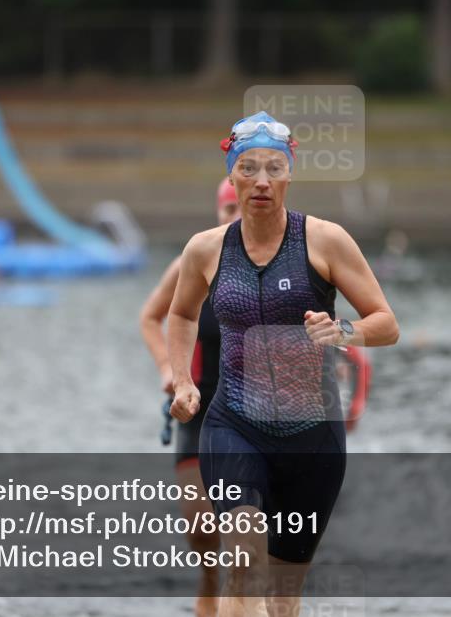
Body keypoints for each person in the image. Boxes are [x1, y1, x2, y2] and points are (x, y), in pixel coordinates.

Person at [167, 112, 399, 617]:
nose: (262, 182)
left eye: (274, 168)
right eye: (248, 169)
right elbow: (181, 314)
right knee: (242, 565)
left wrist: (341, 331)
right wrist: (183, 380)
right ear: (231, 177)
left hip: (312, 435)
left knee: (284, 596)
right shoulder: (205, 250)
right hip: (233, 425)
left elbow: (386, 323)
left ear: (290, 174)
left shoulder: (325, 240)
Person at [140, 178, 240, 617]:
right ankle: (208, 577)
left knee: (248, 523)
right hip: (198, 403)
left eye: (241, 208)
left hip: (255, 406)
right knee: (201, 523)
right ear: (218, 212)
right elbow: (150, 316)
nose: (236, 218)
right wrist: (169, 369)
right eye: (228, 209)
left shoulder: (281, 267)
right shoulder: (195, 261)